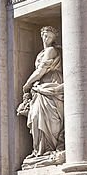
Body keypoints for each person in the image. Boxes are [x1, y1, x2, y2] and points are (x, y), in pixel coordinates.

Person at [17, 26, 65, 163]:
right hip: (40, 88)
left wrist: (27, 83)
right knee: (36, 116)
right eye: (44, 35)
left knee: (51, 119)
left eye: (49, 36)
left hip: (52, 85)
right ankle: (40, 150)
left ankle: (51, 147)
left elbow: (41, 71)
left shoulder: (51, 51)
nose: (46, 38)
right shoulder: (41, 53)